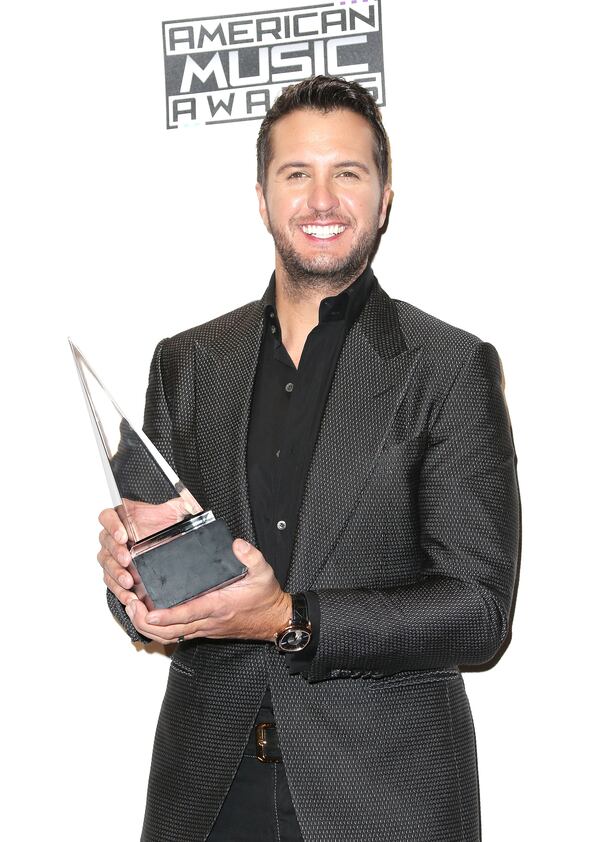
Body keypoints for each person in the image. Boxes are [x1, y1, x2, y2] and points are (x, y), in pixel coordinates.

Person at [97, 75, 520, 842]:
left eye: (347, 173)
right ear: (262, 198)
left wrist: (292, 619)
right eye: (297, 174)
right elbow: (152, 600)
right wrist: (132, 580)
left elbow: (479, 611)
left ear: (384, 197)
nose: (321, 200)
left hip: (387, 800)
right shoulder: (186, 364)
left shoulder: (447, 366)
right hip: (207, 796)